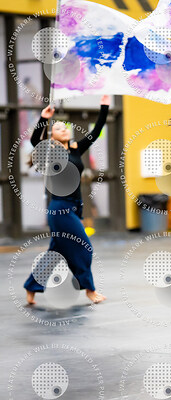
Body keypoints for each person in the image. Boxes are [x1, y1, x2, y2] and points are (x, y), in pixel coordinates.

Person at [24, 95, 110, 304]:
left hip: (74, 208)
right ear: (52, 135)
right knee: (84, 247)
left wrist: (104, 106)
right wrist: (44, 118)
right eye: (58, 128)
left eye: (65, 127)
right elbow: (35, 140)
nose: (63, 130)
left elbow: (96, 131)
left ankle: (32, 287)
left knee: (55, 252)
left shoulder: (75, 149)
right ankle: (89, 289)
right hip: (60, 209)